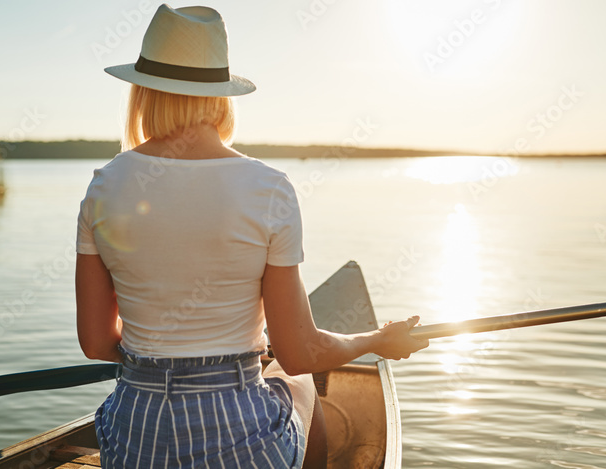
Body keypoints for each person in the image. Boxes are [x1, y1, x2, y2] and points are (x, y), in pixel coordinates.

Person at [76, 5, 429, 468]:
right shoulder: (268, 188)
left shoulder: (105, 186)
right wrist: (375, 341)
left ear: (144, 93)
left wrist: (163, 361)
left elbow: (98, 344)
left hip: (135, 436)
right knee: (298, 381)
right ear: (221, 97)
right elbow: (300, 352)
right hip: (237, 434)